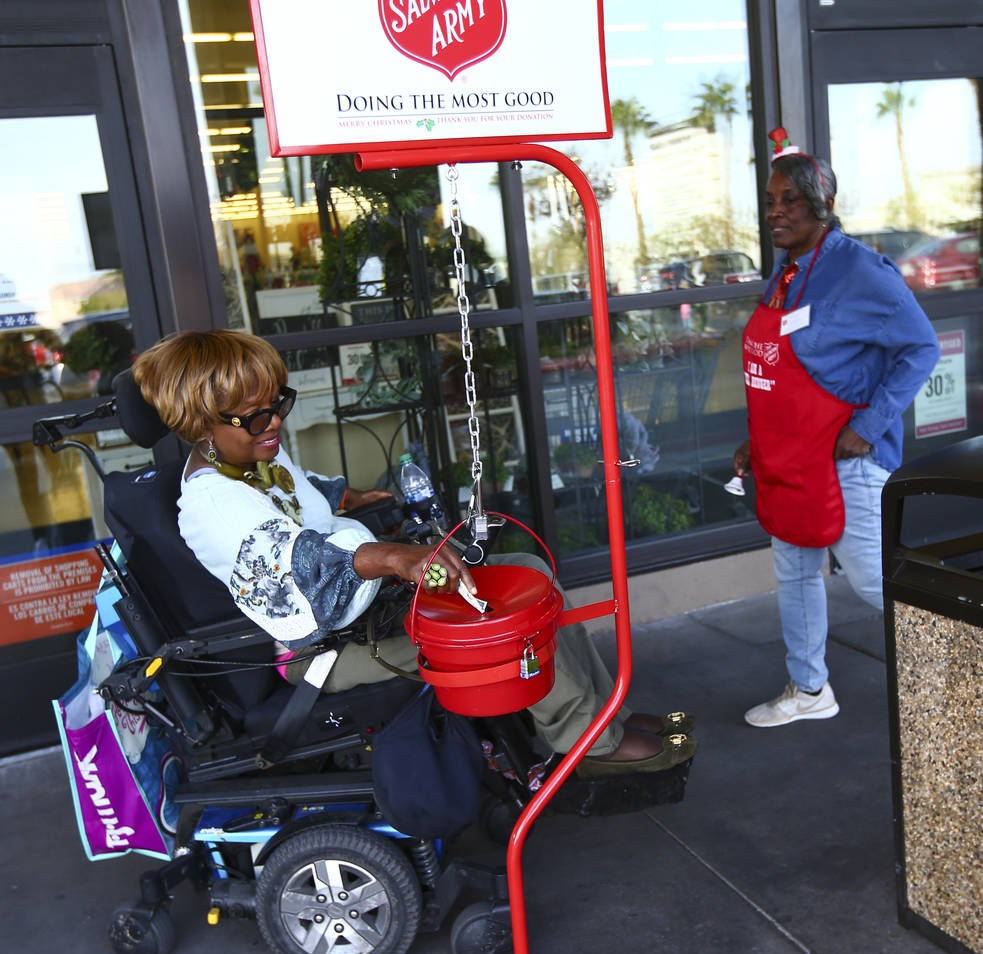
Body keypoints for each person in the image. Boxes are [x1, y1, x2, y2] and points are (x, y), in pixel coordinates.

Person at [132, 329, 697, 774]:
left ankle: (606, 715)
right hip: (326, 649)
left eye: (277, 402)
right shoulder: (214, 503)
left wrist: (350, 496)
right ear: (199, 423)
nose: (276, 420)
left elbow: (301, 495)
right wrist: (398, 558)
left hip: (365, 610)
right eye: (256, 416)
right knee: (505, 620)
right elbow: (302, 565)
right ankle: (584, 746)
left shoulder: (249, 461)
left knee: (528, 574)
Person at [733, 128, 940, 728]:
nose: (775, 212)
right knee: (794, 573)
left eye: (788, 201)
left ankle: (962, 664)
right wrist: (759, 439)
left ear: (820, 207)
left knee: (877, 582)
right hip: (789, 460)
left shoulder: (860, 271)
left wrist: (870, 426)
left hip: (846, 461)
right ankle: (809, 690)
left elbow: (920, 347)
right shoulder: (786, 273)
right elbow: (780, 366)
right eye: (770, 201)